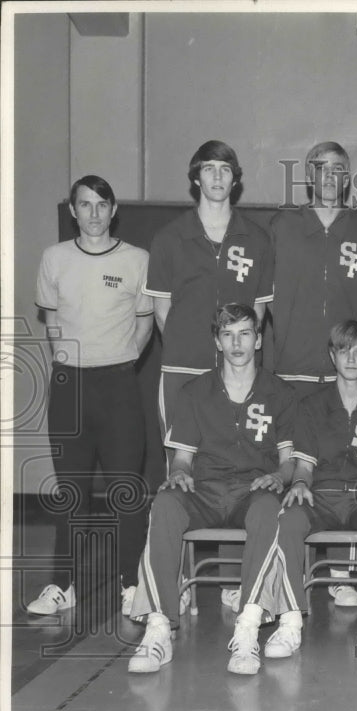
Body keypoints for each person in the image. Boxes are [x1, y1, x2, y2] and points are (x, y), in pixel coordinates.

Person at [127, 304, 296, 675]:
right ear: (217, 342)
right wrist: (180, 473)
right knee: (166, 503)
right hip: (204, 489)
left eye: (245, 334)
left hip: (253, 489)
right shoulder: (194, 391)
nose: (237, 343)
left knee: (271, 509)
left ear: (258, 340)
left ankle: (248, 628)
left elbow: (288, 460)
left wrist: (281, 478)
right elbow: (182, 458)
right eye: (228, 335)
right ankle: (159, 627)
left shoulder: (280, 392)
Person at [144, 139, 275, 612]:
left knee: (235, 466)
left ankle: (227, 581)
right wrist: (195, 351)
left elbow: (258, 311)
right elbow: (161, 311)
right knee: (179, 473)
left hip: (237, 370)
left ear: (235, 178)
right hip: (183, 368)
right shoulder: (169, 237)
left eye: (226, 169)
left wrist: (231, 356)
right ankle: (175, 586)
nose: (217, 177)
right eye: (209, 169)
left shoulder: (256, 238)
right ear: (196, 177)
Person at [29, 175, 154, 616]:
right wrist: (69, 360)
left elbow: (144, 323)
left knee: (126, 490)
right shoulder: (54, 258)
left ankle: (132, 584)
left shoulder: (137, 260)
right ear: (73, 210)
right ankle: (62, 585)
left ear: (114, 209)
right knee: (69, 493)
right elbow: (52, 318)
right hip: (70, 387)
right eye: (85, 205)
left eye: (102, 204)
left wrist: (121, 360)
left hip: (118, 386)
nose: (94, 213)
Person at [275, 320, 357, 654]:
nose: (350, 359)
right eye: (343, 351)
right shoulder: (311, 406)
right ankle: (290, 621)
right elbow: (303, 467)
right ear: (332, 356)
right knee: (288, 515)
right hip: (323, 495)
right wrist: (301, 484)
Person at [268, 141, 357, 396]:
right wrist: (293, 331)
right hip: (292, 368)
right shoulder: (283, 227)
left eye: (338, 169)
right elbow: (270, 298)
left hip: (345, 372)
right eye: (322, 168)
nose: (330, 175)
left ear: (347, 178)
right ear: (309, 176)